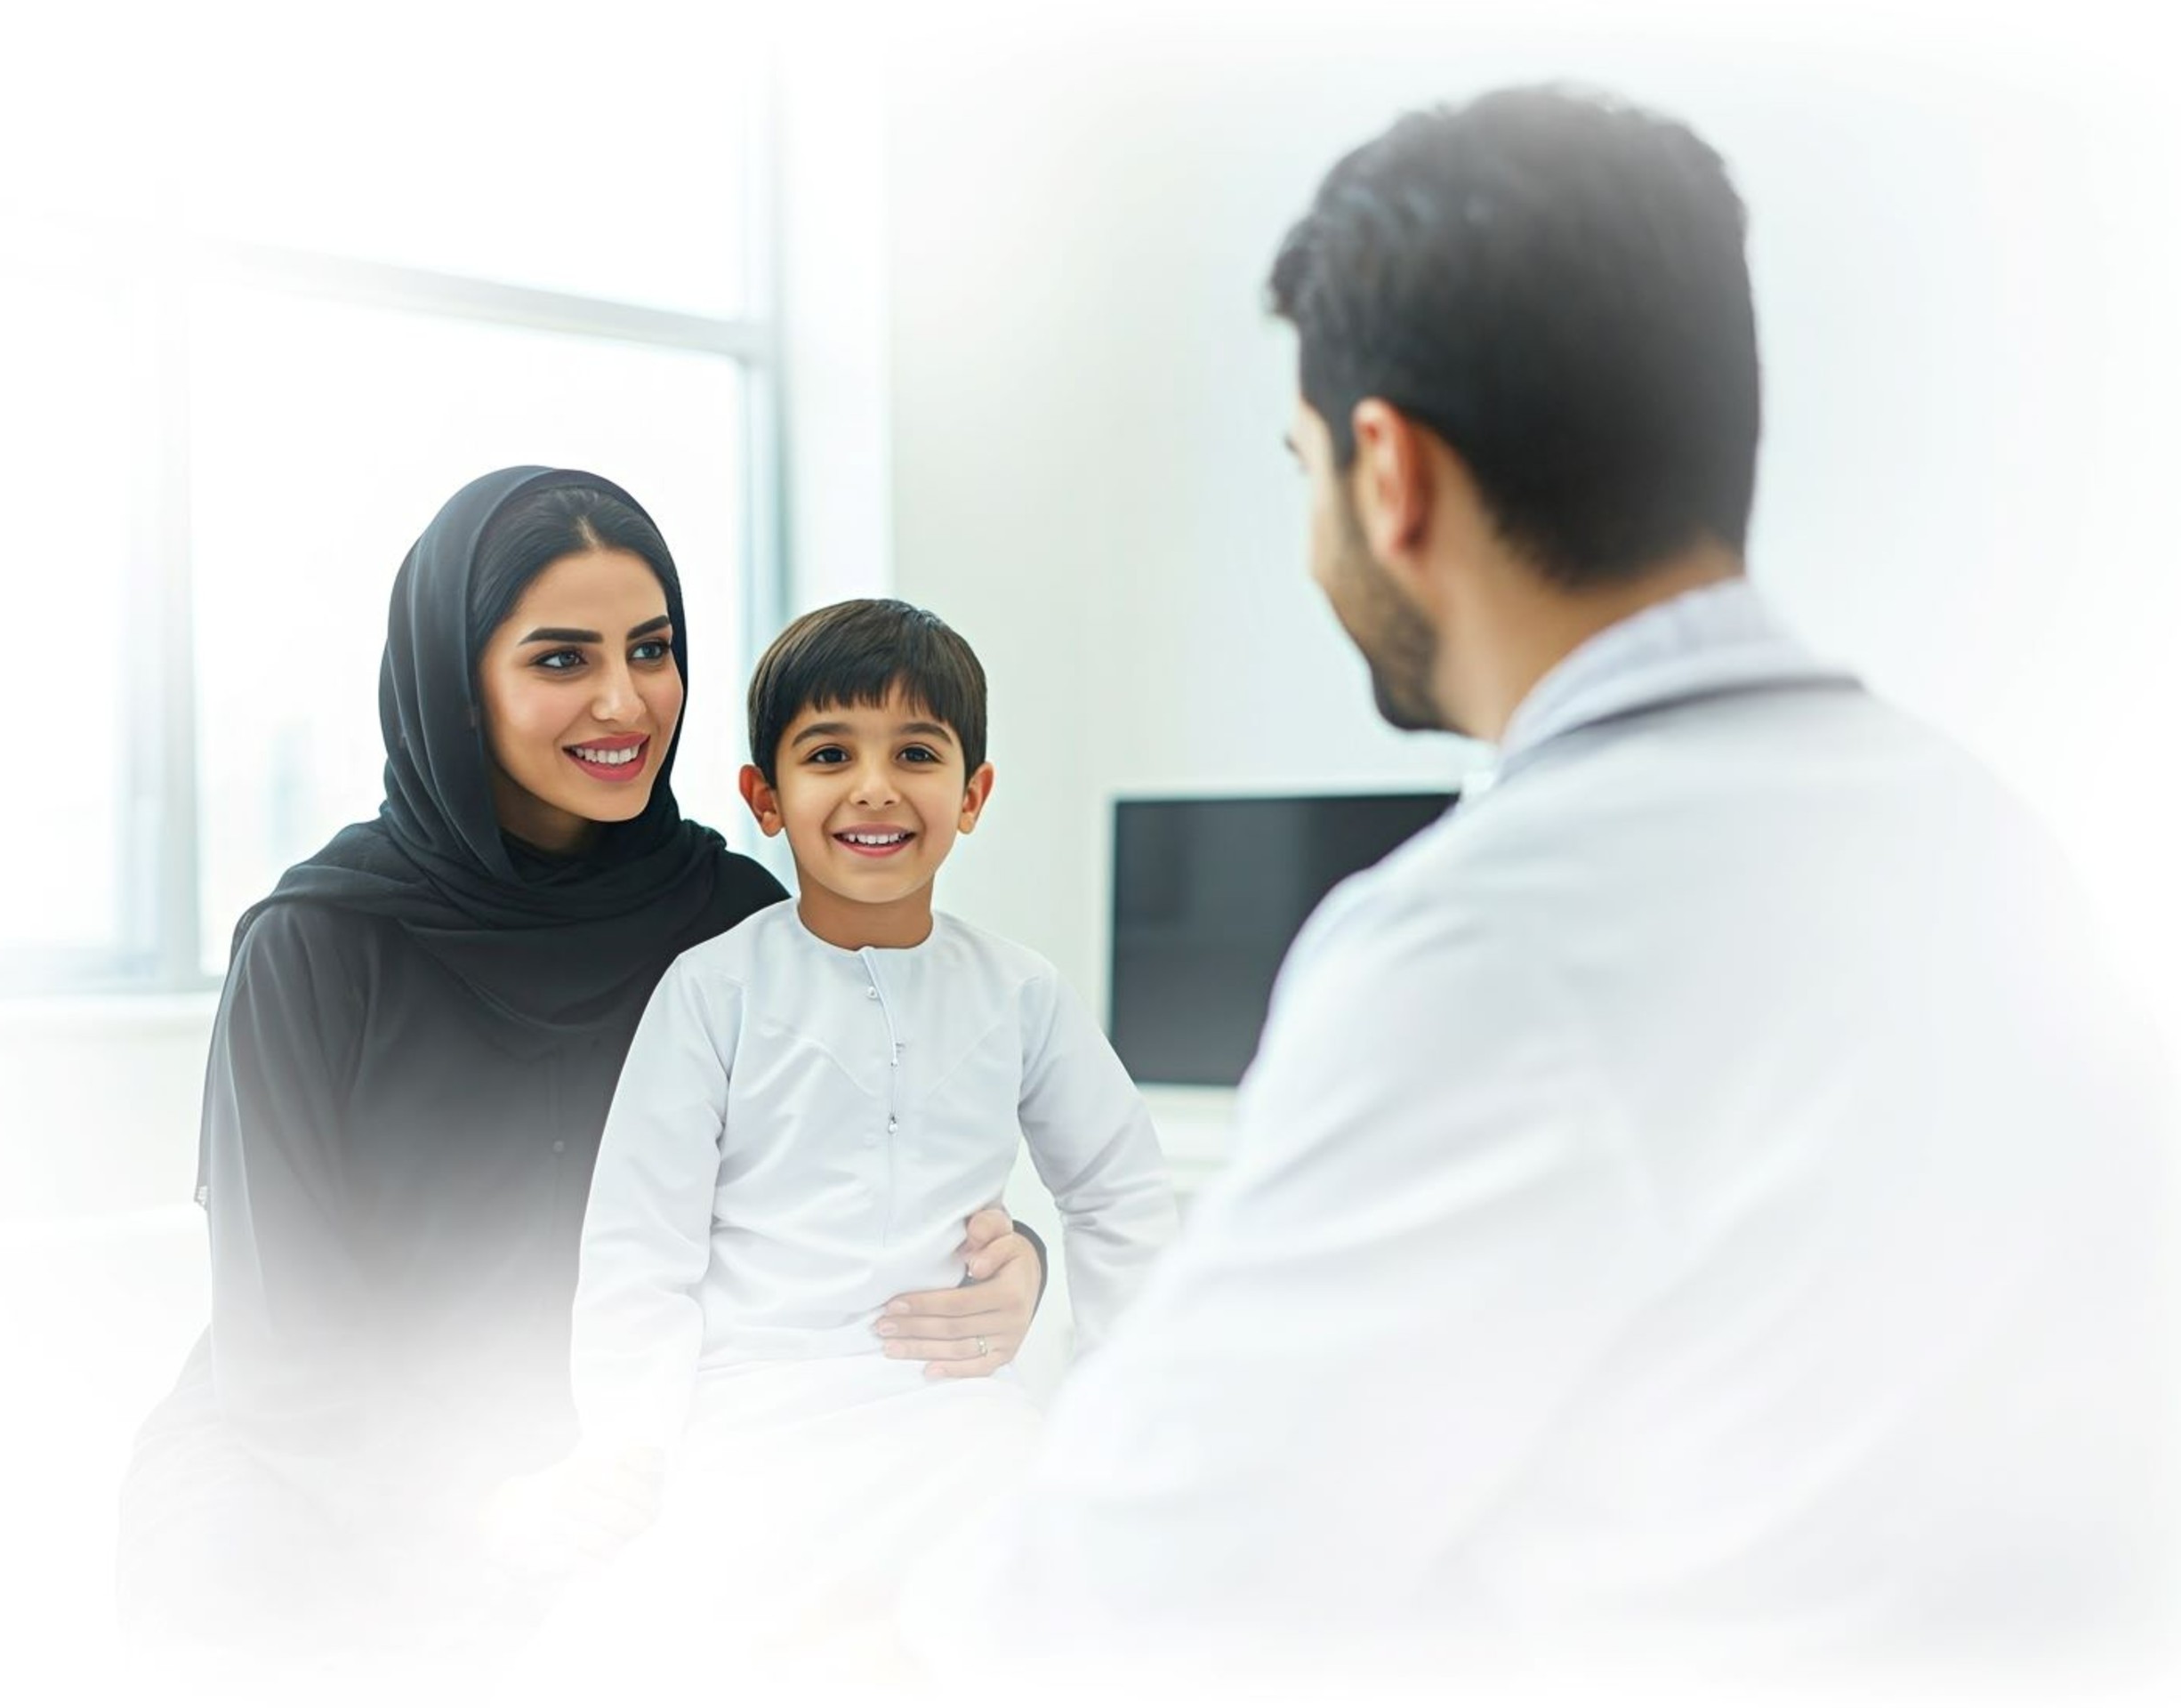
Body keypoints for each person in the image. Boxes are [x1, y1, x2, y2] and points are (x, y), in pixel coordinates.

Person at [915, 86, 2173, 1689]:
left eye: (1304, 466)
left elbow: (1117, 1606)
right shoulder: (1982, 832)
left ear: (1389, 471)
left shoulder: (1489, 944)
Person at [115, 468, 1052, 1655]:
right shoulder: (317, 943)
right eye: (562, 658)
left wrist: (1013, 1267)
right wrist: (480, 1514)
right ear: (460, 688)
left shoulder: (737, 920)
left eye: (651, 651)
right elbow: (285, 1343)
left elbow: (873, 1178)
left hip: (645, 1429)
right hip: (330, 1455)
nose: (624, 702)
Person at [504, 600, 1175, 1664]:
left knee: (1074, 1618)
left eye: (917, 753)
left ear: (973, 794)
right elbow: (641, 1246)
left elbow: (1119, 1190)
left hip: (954, 1411)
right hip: (749, 1419)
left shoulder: (1019, 992)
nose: (874, 787)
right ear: (765, 799)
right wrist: (630, 1446)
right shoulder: (712, 991)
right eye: (829, 754)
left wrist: (1118, 1397)